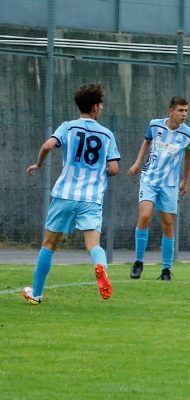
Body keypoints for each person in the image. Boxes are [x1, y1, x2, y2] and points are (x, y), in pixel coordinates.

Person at [22, 83, 120, 304]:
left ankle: (36, 294)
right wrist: (98, 171)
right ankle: (100, 267)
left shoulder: (69, 127)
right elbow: (114, 169)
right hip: (91, 198)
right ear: (95, 107)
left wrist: (38, 164)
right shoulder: (106, 135)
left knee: (49, 244)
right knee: (93, 245)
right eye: (101, 104)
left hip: (65, 194)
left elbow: (48, 145)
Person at [128, 97, 190, 281]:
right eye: (181, 110)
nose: (184, 114)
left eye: (186, 111)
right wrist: (136, 163)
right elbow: (146, 142)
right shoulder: (155, 125)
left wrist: (186, 180)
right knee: (144, 216)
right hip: (149, 179)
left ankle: (166, 269)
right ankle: (138, 262)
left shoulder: (189, 134)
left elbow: (188, 156)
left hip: (170, 184)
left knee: (168, 224)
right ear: (171, 111)